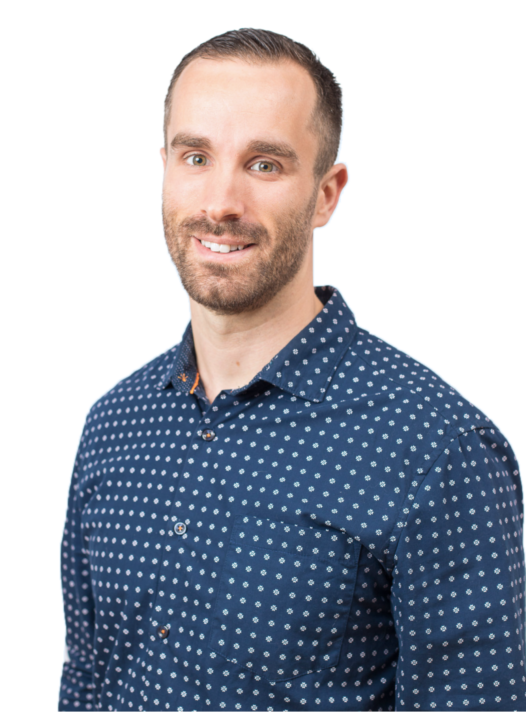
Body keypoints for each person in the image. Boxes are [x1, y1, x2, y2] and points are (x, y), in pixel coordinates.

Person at [58, 26, 525, 712]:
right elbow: (90, 682)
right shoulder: (112, 425)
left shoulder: (439, 448)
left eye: (265, 164)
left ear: (328, 193)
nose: (220, 203)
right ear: (163, 168)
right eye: (196, 157)